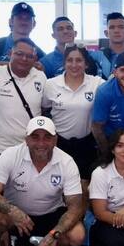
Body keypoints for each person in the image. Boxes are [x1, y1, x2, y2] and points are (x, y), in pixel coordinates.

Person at [0, 116, 85, 246]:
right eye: (35, 137)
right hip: (17, 216)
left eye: (47, 137)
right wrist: (11, 210)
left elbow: (75, 207)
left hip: (51, 215)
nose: (41, 143)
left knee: (78, 235)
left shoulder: (67, 162)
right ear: (26, 140)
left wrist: (54, 235)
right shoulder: (10, 155)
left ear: (55, 140)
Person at [42, 45, 104, 183]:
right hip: (59, 144)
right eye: (70, 60)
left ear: (86, 64)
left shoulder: (96, 83)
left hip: (86, 144)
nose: (74, 65)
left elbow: (117, 83)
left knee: (84, 185)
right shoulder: (51, 84)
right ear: (64, 63)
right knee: (58, 184)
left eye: (79, 60)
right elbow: (44, 109)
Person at [0, 37, 47, 158]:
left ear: (35, 59)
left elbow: (45, 107)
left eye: (29, 56)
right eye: (19, 54)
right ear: (10, 53)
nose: (24, 59)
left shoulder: (41, 77)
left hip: (30, 148)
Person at [40, 17, 108, 79]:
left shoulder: (91, 55)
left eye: (69, 28)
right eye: (60, 29)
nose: (65, 31)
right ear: (53, 35)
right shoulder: (45, 62)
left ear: (75, 33)